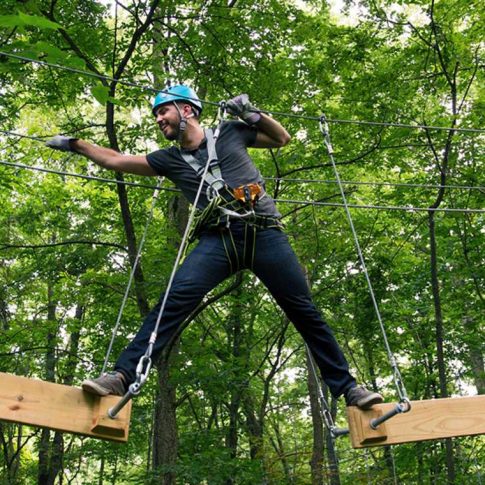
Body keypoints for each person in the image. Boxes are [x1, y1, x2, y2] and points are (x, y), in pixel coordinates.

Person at [46, 85, 383, 410]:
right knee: (171, 303)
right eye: (156, 115)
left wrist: (252, 114)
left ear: (187, 110)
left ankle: (348, 387)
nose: (159, 119)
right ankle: (122, 376)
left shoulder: (230, 133)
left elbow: (281, 138)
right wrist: (77, 144)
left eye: (163, 111)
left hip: (264, 233)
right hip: (218, 240)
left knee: (304, 312)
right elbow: (116, 161)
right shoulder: (167, 159)